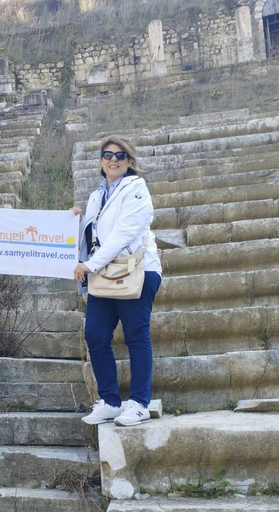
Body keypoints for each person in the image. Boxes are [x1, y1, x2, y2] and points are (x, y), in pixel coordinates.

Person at [72, 134, 162, 427]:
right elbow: (93, 233)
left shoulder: (137, 189)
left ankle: (138, 404)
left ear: (129, 161)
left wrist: (89, 265)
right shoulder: (97, 195)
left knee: (136, 335)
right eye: (108, 154)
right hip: (104, 274)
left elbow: (123, 234)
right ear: (101, 161)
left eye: (120, 156)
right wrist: (76, 220)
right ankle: (110, 402)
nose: (113, 159)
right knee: (95, 335)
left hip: (136, 270)